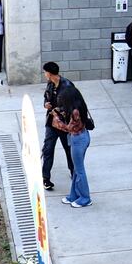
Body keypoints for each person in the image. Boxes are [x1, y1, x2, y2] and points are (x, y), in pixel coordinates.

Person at [52, 84, 92, 208]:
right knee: (76, 169)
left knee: (79, 171)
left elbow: (68, 128)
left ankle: (85, 198)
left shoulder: (75, 111)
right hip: (81, 137)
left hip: (78, 140)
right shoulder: (78, 106)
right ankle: (74, 195)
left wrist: (56, 118)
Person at [40, 62, 79, 191]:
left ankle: (74, 172)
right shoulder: (50, 83)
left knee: (68, 149)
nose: (44, 74)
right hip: (51, 123)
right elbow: (46, 97)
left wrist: (57, 110)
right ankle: (45, 178)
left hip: (64, 125)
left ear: (49, 73)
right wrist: (46, 104)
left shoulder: (67, 86)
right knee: (48, 149)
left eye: (45, 72)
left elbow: (73, 107)